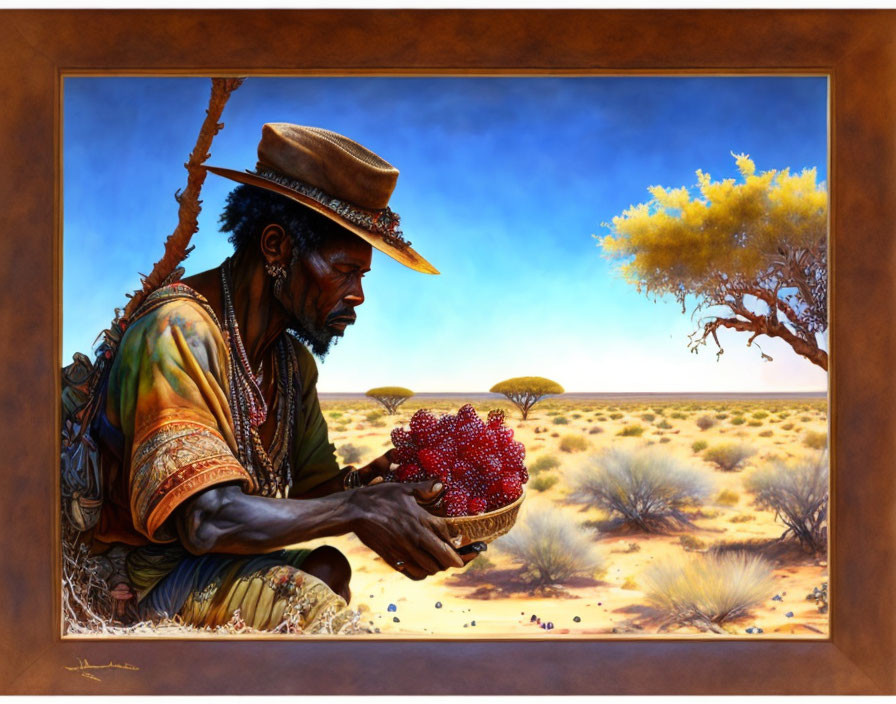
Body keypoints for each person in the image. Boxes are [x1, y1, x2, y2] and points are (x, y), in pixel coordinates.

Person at [91, 123, 474, 634]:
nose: (358, 294)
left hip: (202, 569)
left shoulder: (290, 363)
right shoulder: (177, 331)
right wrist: (360, 507)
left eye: (362, 276)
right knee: (307, 601)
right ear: (276, 247)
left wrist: (378, 490)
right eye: (344, 270)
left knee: (327, 567)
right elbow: (208, 520)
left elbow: (314, 493)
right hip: (135, 585)